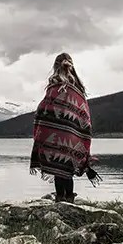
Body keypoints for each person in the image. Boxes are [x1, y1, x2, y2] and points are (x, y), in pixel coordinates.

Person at [30, 52, 100, 203]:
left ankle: (60, 198)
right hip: (72, 135)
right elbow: (83, 114)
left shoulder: (54, 86)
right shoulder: (78, 88)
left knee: (57, 166)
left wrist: (41, 124)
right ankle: (69, 199)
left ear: (55, 67)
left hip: (56, 133)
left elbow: (44, 109)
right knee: (67, 168)